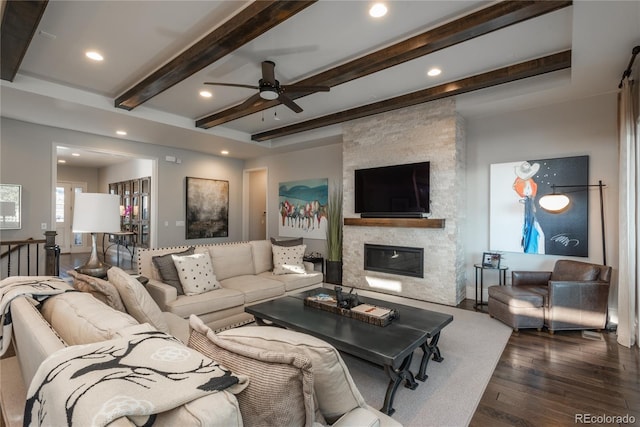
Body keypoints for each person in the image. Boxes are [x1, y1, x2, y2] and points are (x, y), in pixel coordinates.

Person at [513, 161, 545, 254]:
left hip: (529, 204)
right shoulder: (518, 182)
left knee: (532, 226)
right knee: (525, 226)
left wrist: (532, 202)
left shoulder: (532, 183)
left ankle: (531, 247)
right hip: (523, 205)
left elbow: (532, 194)